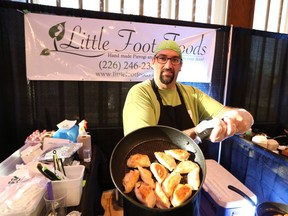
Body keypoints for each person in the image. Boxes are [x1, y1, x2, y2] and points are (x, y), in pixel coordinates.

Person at [122, 40, 254, 142]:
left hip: (189, 172)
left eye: (174, 60)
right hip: (153, 173)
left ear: (180, 65)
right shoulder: (141, 93)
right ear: (153, 62)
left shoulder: (192, 94)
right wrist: (196, 131)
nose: (168, 66)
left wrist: (236, 121)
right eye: (162, 58)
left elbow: (242, 117)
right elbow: (143, 143)